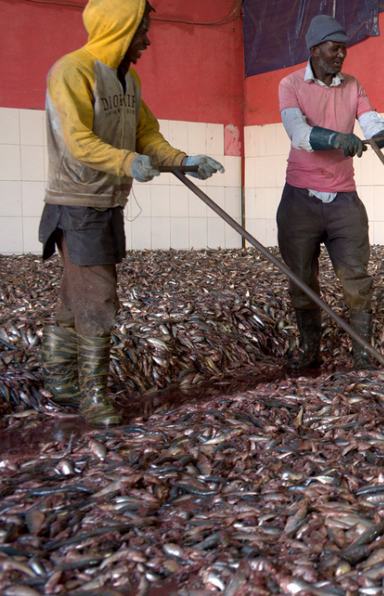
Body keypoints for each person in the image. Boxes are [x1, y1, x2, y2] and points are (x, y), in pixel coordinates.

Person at [38, 0, 224, 427]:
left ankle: (60, 380)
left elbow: (146, 134)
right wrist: (126, 163)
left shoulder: (129, 79)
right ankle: (93, 395)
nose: (147, 38)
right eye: (141, 29)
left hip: (108, 201)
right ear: (119, 29)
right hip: (77, 200)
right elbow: (77, 140)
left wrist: (182, 160)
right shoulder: (71, 71)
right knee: (98, 296)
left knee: (77, 295)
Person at [277, 15, 384, 371]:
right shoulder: (289, 84)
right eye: (335, 49)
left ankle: (362, 356)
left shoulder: (352, 85)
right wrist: (336, 138)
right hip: (299, 201)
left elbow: (370, 122)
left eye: (344, 50)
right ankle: (309, 353)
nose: (341, 57)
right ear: (316, 49)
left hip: (343, 200)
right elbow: (298, 133)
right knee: (301, 281)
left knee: (356, 279)